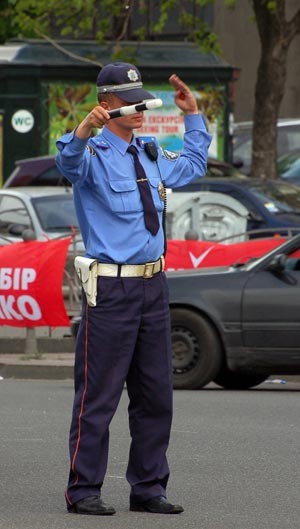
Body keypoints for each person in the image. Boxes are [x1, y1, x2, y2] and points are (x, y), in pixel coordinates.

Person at [56, 61, 212, 516]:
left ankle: (148, 486)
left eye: (141, 98)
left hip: (152, 286)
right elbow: (66, 161)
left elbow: (193, 165)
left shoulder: (147, 151)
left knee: (155, 394)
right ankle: (83, 489)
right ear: (106, 104)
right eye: (129, 102)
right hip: (111, 288)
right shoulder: (91, 156)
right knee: (98, 397)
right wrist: (84, 128)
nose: (139, 108)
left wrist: (192, 115)